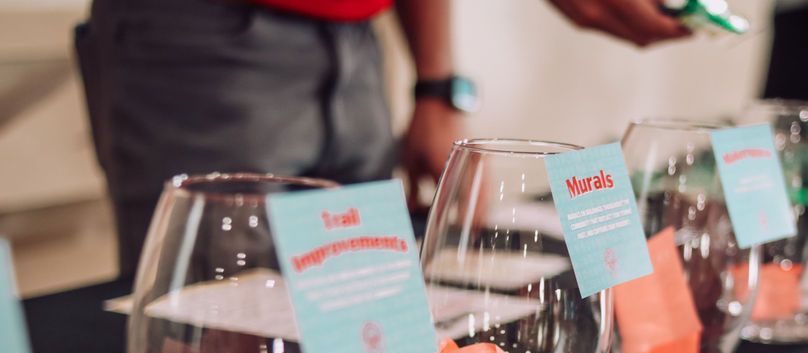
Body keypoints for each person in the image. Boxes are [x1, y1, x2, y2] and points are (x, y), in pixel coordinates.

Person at [75, 0, 693, 275]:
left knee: (359, 317)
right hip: (199, 37)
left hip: (358, 36)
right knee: (216, 336)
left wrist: (436, 86)